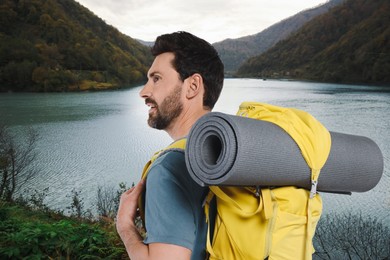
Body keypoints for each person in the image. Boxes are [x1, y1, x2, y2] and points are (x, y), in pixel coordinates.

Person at [116, 31, 224, 260]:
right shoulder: (231, 153)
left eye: (156, 79)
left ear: (193, 86)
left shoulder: (169, 168)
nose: (144, 92)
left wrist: (125, 228)